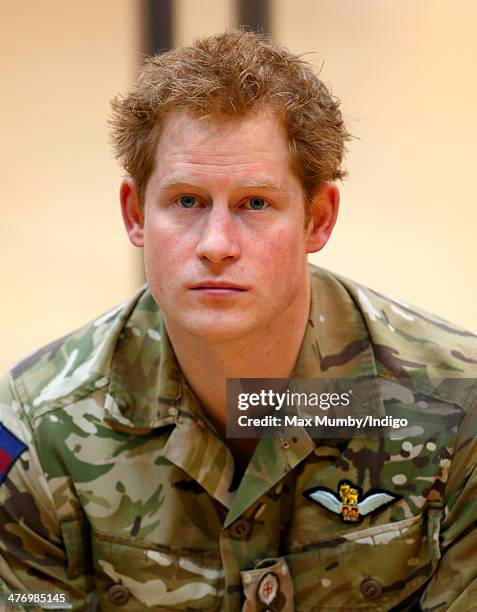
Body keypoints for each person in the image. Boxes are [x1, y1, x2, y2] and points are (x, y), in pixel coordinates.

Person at [1, 29, 476, 611]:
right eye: (186, 201)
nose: (217, 245)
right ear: (135, 215)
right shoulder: (39, 430)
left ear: (318, 219)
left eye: (255, 203)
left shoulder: (456, 410)